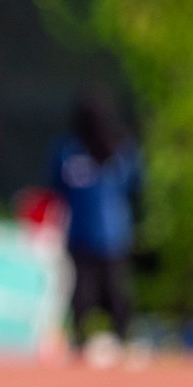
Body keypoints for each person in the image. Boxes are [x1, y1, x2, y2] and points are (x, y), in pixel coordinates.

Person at [49, 86, 140, 357]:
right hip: (85, 236)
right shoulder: (68, 148)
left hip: (111, 236)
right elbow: (56, 186)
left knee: (115, 296)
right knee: (82, 297)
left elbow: (133, 183)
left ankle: (121, 340)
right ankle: (80, 343)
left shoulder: (120, 148)